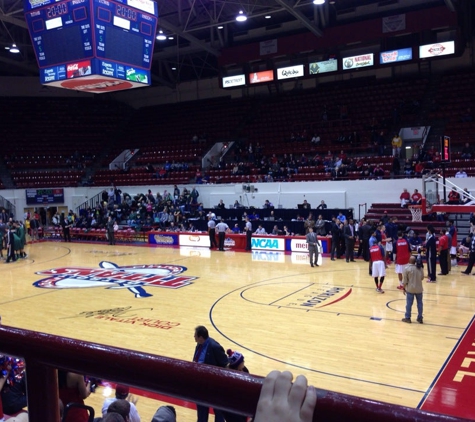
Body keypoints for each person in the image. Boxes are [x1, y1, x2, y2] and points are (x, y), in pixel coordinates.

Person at [193, 326, 228, 422]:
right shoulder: (199, 344)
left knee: (219, 412)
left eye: (195, 335)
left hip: (214, 386)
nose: (193, 337)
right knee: (201, 413)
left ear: (200, 337)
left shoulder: (214, 347)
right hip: (201, 385)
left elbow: (225, 364)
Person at [401, 256, 424, 324]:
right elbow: (422, 278)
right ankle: (420, 318)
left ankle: (408, 318)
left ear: (409, 260)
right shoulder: (420, 268)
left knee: (409, 304)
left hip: (410, 289)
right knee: (420, 303)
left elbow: (405, 281)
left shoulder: (407, 268)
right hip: (419, 288)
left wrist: (404, 288)